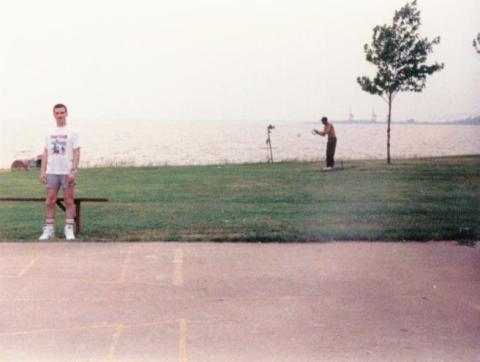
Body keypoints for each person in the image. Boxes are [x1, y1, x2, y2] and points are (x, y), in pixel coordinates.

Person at [39, 104, 80, 240]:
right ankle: (49, 229)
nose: (60, 115)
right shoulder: (49, 132)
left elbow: (76, 152)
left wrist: (73, 171)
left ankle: (69, 228)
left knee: (69, 200)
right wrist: (42, 171)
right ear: (54, 115)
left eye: (62, 112)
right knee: (50, 201)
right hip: (52, 171)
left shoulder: (72, 132)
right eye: (57, 113)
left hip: (66, 172)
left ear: (66, 113)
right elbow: (45, 152)